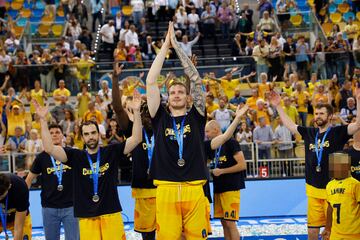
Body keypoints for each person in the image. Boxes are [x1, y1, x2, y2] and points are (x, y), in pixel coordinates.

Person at [33, 89, 142, 240]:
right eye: (87, 134)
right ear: (82, 137)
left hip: (111, 214)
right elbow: (50, 148)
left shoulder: (111, 151)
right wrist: (43, 121)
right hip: (86, 217)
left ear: (98, 134)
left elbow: (136, 139)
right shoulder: (75, 156)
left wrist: (136, 112)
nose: (90, 137)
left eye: (93, 133)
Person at [146, 22, 209, 239]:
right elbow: (151, 81)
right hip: (166, 189)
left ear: (187, 96)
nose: (176, 94)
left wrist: (179, 49)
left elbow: (197, 81)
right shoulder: (159, 117)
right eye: (172, 92)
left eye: (180, 91)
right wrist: (166, 47)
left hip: (194, 188)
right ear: (168, 96)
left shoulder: (197, 116)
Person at [269, 90, 360, 240]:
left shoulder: (338, 132)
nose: (318, 116)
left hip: (333, 189)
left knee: (330, 233)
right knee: (312, 232)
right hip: (312, 191)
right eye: (316, 114)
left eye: (321, 114)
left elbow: (357, 125)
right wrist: (278, 106)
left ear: (330, 116)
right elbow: (290, 125)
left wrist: (358, 99)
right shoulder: (309, 133)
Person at [25, 124, 79, 240]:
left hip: (71, 207)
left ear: (63, 136)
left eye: (57, 132)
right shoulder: (42, 157)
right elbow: (29, 179)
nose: (54, 135)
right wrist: (22, 201)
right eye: (51, 133)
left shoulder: (72, 153)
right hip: (49, 208)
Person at [204, 105, 248, 240]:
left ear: (216, 130)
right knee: (224, 223)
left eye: (207, 132)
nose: (206, 134)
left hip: (231, 187)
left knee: (230, 223)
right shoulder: (212, 146)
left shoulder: (230, 142)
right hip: (219, 188)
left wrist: (222, 171)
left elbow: (242, 165)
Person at [131, 101, 157, 240]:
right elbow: (118, 109)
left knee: (170, 232)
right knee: (147, 235)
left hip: (164, 186)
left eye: (150, 112)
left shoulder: (165, 130)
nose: (147, 115)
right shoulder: (135, 131)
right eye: (144, 112)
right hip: (143, 190)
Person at [321, 152, 360, 240]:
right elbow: (330, 208)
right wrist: (327, 228)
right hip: (336, 234)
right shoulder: (329, 185)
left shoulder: (355, 184)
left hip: (354, 234)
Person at [0, 173, 32, 239]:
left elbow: (19, 228)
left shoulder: (20, 186)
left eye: (1, 197)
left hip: (17, 218)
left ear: (9, 186)